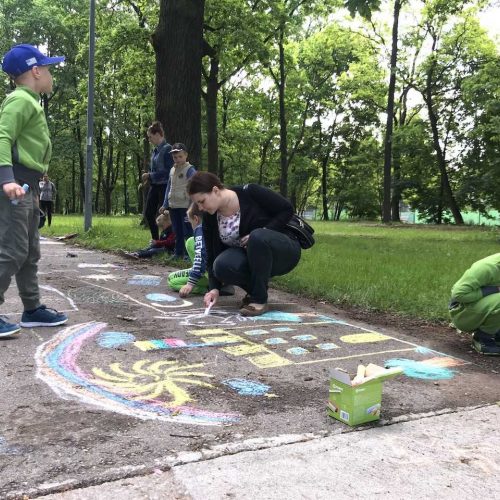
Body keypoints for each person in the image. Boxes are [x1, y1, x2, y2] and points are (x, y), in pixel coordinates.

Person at [0, 44, 68, 338]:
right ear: (36, 71)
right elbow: (2, 136)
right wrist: (7, 179)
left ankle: (31, 308)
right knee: (12, 250)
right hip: (13, 187)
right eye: (49, 69)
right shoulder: (20, 100)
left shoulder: (31, 101)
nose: (51, 75)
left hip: (26, 188)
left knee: (29, 252)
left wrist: (35, 189)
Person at [187, 172, 302, 317]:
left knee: (257, 236)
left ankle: (259, 300)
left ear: (215, 190)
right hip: (253, 259)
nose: (200, 208)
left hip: (283, 251)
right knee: (221, 265)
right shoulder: (210, 218)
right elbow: (211, 255)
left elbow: (287, 209)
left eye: (201, 201)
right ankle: (257, 290)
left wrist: (265, 230)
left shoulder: (250, 192)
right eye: (197, 204)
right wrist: (214, 288)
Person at [449, 253, 500, 355]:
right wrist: (494, 289)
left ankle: (497, 333)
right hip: (462, 313)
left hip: (484, 306)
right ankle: (483, 338)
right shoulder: (487, 267)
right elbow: (458, 294)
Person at [160, 143, 196, 259]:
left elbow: (194, 185)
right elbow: (168, 187)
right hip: (173, 205)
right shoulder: (172, 170)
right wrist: (165, 204)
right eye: (175, 157)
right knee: (177, 231)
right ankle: (178, 253)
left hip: (186, 206)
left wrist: (192, 205)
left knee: (188, 231)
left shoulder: (189, 169)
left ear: (186, 155)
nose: (178, 159)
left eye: (180, 156)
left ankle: (188, 254)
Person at [168, 203, 209, 297]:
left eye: (190, 222)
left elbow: (200, 254)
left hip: (209, 274)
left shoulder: (200, 229)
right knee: (191, 241)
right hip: (218, 272)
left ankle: (207, 289)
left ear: (196, 219)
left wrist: (190, 283)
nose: (191, 226)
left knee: (171, 280)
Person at [142, 121, 173, 240]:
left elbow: (168, 172)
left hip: (165, 186)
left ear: (157, 134)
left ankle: (168, 240)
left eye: (150, 136)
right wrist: (149, 178)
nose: (149, 140)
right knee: (149, 213)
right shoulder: (154, 151)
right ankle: (155, 240)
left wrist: (150, 175)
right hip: (154, 186)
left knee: (166, 214)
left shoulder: (167, 149)